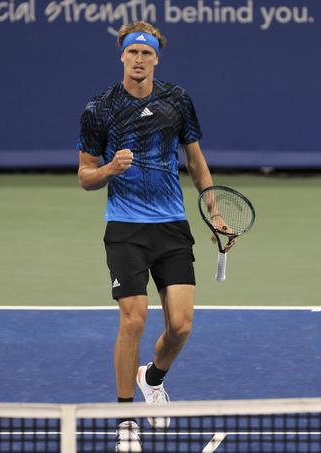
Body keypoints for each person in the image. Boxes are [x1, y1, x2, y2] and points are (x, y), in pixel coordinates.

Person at [76, 21, 223, 452]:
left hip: (172, 224)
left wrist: (213, 212)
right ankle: (126, 421)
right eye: (132, 53)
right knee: (133, 319)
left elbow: (196, 162)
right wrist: (108, 170)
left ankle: (151, 377)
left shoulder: (177, 101)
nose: (139, 60)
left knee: (180, 326)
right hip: (125, 228)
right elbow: (85, 177)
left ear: (156, 57)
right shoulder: (99, 109)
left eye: (146, 53)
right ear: (121, 56)